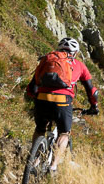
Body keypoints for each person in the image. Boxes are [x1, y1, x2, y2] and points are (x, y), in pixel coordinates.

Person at [25, 37, 99, 172]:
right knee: (64, 133)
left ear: (59, 50)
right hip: (63, 102)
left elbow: (32, 86)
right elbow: (92, 91)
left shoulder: (47, 60)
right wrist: (94, 106)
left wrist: (35, 97)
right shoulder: (80, 66)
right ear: (75, 53)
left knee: (40, 129)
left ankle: (33, 160)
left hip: (42, 99)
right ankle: (53, 167)